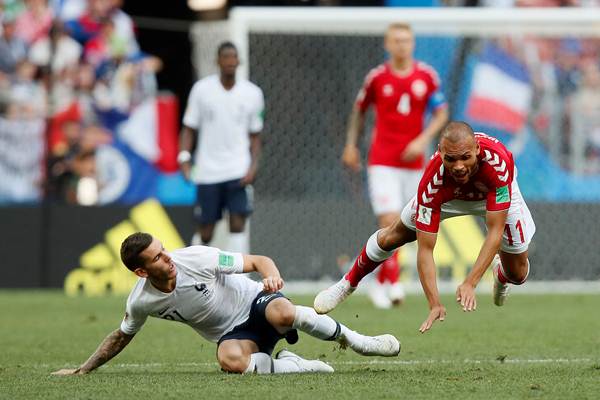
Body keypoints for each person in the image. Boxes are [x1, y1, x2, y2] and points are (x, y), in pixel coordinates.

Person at [51, 232, 400, 376]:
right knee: (229, 361)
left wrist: (273, 276)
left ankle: (359, 342)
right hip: (235, 334)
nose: (167, 258)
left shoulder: (196, 258)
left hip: (257, 302)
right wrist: (83, 370)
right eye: (157, 258)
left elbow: (259, 260)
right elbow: (121, 335)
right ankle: (298, 365)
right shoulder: (142, 301)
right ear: (142, 271)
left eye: (164, 249)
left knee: (283, 311)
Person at [316, 121, 535, 333]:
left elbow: (494, 231)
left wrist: (470, 282)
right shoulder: (433, 182)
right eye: (450, 159)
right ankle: (347, 284)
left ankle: (501, 274)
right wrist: (434, 303)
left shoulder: (497, 165)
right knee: (391, 237)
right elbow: (425, 249)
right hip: (448, 196)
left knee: (518, 273)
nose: (458, 166)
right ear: (440, 153)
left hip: (492, 191)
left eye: (465, 158)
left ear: (477, 149)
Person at [342, 22, 448, 308]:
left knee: (408, 224)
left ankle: (380, 281)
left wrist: (423, 140)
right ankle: (395, 283)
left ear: (412, 44)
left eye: (407, 40)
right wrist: (351, 145)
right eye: (397, 40)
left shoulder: (426, 76)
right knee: (388, 220)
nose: (402, 45)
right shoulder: (377, 78)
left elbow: (441, 112)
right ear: (388, 45)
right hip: (382, 161)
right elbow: (359, 111)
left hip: (415, 164)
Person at [178, 41, 263, 255]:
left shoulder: (252, 93)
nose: (229, 62)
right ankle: (194, 271)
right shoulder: (202, 90)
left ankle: (241, 277)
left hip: (238, 169)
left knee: (238, 223)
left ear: (239, 61)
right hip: (208, 170)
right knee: (206, 230)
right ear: (217, 61)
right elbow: (188, 128)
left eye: (233, 58)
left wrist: (253, 166)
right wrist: (184, 159)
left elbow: (255, 136)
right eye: (225, 58)